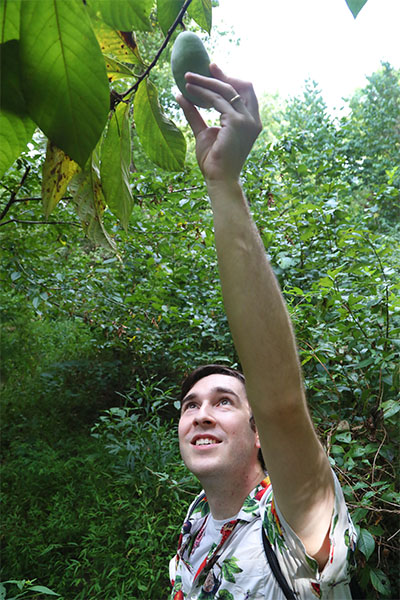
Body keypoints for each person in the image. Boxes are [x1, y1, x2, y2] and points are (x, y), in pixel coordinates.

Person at [169, 64, 357, 599]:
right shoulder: (196, 522)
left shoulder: (295, 518)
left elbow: (281, 403)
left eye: (224, 400)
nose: (200, 412)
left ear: (257, 433)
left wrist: (223, 185)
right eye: (190, 405)